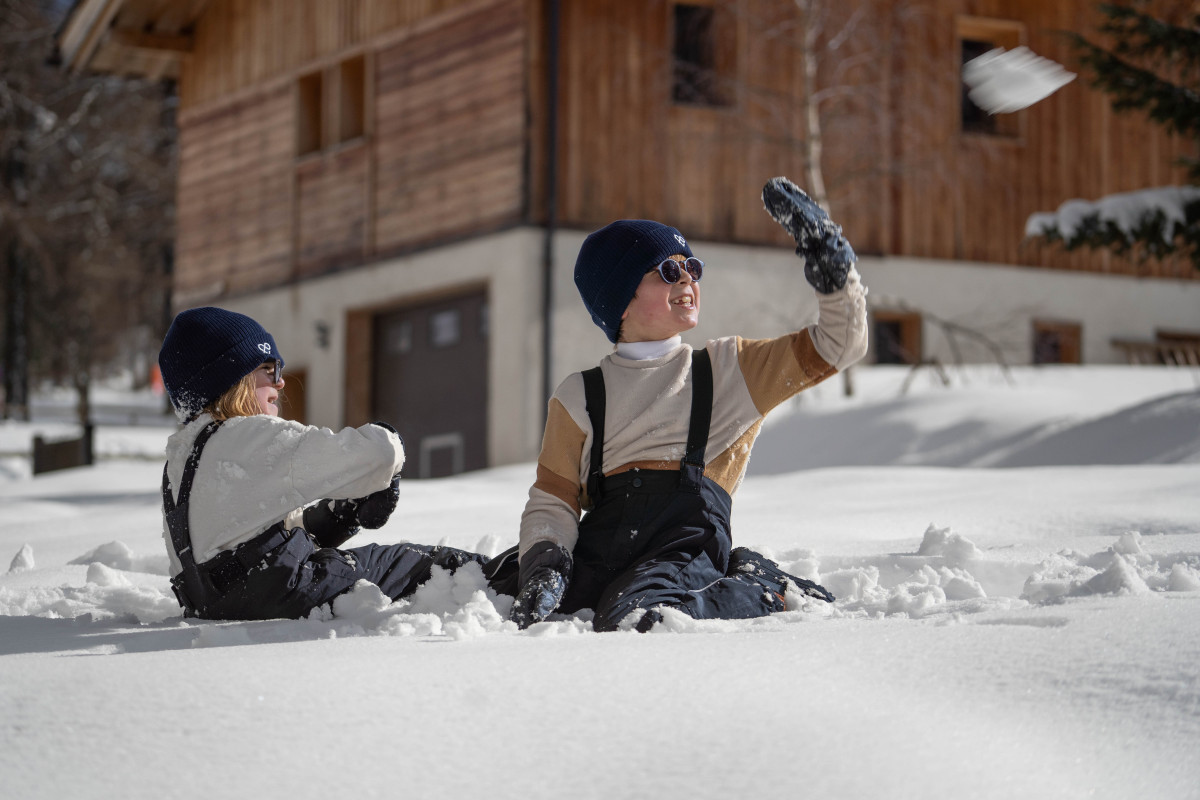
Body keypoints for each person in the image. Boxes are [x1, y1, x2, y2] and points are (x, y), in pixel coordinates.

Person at [507, 177, 869, 632]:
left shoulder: (728, 370)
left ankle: (764, 587)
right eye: (667, 271)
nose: (687, 280)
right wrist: (545, 565)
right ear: (619, 299)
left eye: (692, 268)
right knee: (481, 582)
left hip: (684, 550)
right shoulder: (580, 393)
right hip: (605, 550)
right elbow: (552, 499)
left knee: (638, 618)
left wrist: (832, 269)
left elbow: (841, 344)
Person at [157, 307, 485, 620]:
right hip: (283, 594)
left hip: (216, 605)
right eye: (268, 369)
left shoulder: (180, 462)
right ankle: (512, 579)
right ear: (231, 376)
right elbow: (379, 455)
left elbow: (247, 540)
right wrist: (387, 436)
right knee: (425, 563)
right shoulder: (252, 435)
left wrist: (340, 516)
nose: (280, 381)